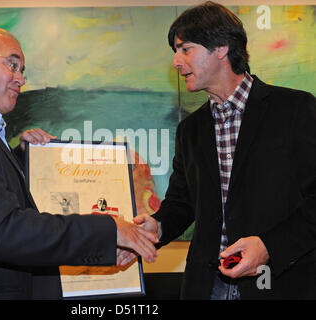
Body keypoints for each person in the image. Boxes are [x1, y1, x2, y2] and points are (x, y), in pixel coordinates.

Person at [0, 25, 158, 299]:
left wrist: (24, 159)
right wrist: (109, 229)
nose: (20, 79)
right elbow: (2, 230)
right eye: (12, 65)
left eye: (22, 70)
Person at [118, 1, 316, 299]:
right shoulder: (190, 130)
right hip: (206, 286)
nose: (175, 61)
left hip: (279, 284)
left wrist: (268, 247)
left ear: (221, 47)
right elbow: (182, 202)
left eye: (185, 49)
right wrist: (157, 226)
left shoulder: (296, 109)